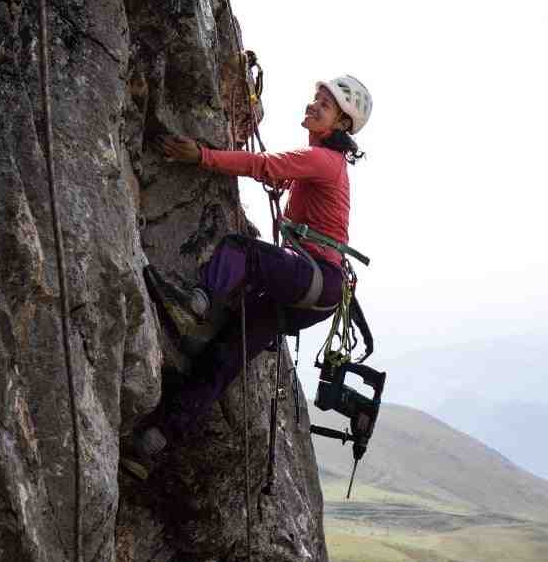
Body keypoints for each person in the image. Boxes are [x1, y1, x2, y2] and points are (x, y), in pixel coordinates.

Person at [125, 75, 373, 478]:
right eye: (316, 98)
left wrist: (201, 156)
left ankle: (196, 304)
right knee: (223, 358)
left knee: (242, 250)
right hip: (316, 295)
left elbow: (264, 165)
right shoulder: (325, 163)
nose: (313, 105)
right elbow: (277, 173)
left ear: (341, 125)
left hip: (318, 278)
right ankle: (152, 443)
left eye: (324, 105)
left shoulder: (323, 162)